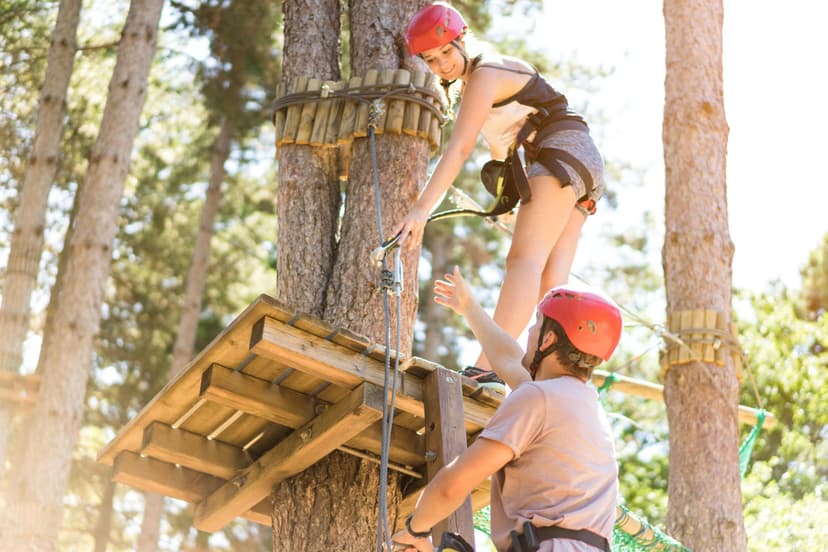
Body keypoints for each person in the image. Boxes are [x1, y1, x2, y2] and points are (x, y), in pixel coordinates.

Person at [393, 2, 606, 384]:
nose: (442, 64)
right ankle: (552, 372)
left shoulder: (486, 74)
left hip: (561, 153)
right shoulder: (487, 81)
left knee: (523, 260)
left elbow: (458, 148)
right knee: (551, 280)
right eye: (431, 59)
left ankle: (489, 366)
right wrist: (507, 210)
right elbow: (504, 155)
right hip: (582, 163)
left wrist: (421, 209)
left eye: (446, 51)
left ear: (462, 39)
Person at [391, 266, 622, 552]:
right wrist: (469, 307)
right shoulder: (582, 406)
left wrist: (415, 529)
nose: (530, 330)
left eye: (536, 323)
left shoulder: (539, 398)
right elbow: (510, 360)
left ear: (548, 340)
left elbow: (454, 483)